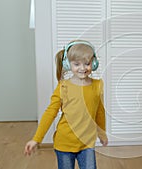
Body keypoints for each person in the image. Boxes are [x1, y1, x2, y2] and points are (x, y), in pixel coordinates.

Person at [24, 40, 108, 169]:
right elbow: (50, 113)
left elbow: (100, 111)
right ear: (68, 64)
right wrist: (36, 139)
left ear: (94, 63)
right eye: (77, 64)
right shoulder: (63, 87)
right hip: (64, 143)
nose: (82, 68)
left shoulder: (97, 85)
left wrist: (102, 133)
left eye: (87, 63)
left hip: (87, 143)